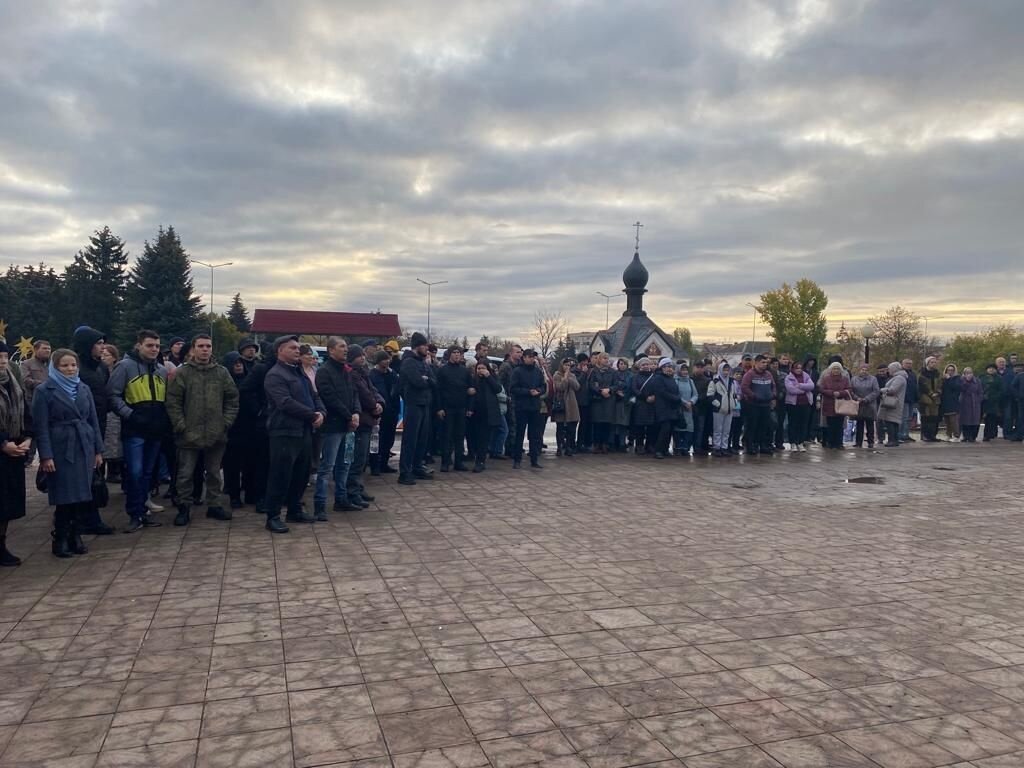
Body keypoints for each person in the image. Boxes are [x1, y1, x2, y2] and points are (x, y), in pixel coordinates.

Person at [33, 348, 105, 558]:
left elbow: (93, 420)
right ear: (55, 368)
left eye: (73, 365)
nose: (70, 369)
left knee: (81, 495)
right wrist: (46, 455)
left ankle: (76, 534)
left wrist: (98, 450)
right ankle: (61, 537)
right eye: (64, 365)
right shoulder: (44, 390)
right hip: (61, 448)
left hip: (83, 445)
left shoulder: (83, 388)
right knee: (65, 495)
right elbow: (41, 427)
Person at [165, 334, 239, 527]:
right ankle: (184, 507)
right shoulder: (183, 373)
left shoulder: (221, 373)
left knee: (214, 473)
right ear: (194, 349)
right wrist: (181, 426)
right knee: (185, 474)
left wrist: (225, 423)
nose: (205, 349)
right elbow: (173, 402)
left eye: (208, 346)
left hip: (216, 434)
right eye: (201, 346)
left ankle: (214, 505)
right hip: (188, 435)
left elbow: (232, 399)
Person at [262, 335, 326, 532]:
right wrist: (311, 415)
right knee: (280, 474)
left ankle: (294, 510)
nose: (297, 351)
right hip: (284, 431)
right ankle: (272, 516)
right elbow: (284, 402)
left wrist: (321, 412)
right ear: (280, 351)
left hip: (304, 430)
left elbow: (315, 396)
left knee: (301, 473)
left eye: (298, 348)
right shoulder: (275, 375)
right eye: (292, 348)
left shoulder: (299, 373)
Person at [109, 330, 169, 532]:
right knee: (134, 472)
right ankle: (134, 514)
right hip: (134, 429)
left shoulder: (161, 370)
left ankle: (143, 511)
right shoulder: (125, 366)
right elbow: (114, 396)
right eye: (149, 345)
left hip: (155, 429)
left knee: (146, 473)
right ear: (139, 345)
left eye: (157, 346)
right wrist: (130, 415)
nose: (154, 349)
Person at [71, 327, 115, 534]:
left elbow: (106, 396)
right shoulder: (76, 370)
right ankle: (79, 519)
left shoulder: (101, 368)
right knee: (81, 476)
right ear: (87, 346)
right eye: (98, 343)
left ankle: (90, 517)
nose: (102, 347)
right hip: (80, 430)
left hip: (99, 426)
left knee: (96, 473)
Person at [314, 337, 360, 519]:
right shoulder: (324, 372)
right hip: (333, 426)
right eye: (342, 347)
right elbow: (330, 398)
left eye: (346, 347)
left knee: (345, 464)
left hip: (349, 426)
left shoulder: (346, 371)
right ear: (331, 350)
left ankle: (341, 499)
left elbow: (354, 394)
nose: (346, 350)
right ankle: (320, 505)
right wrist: (350, 416)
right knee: (327, 467)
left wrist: (356, 412)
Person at [0, 342, 28, 566]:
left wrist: (27, 436)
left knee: (8, 503)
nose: (2, 361)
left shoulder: (12, 379)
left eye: (4, 357)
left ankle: (2, 545)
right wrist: (2, 443)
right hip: (2, 447)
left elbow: (24, 407)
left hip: (15, 447)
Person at [346, 344, 383, 505]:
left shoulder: (364, 373)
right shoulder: (352, 375)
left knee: (363, 458)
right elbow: (363, 394)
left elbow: (373, 390)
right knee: (357, 459)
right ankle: (352, 491)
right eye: (358, 355)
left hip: (369, 419)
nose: (362, 357)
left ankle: (358, 488)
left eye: (362, 355)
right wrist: (374, 406)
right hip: (360, 420)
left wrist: (380, 402)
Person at [398, 332, 435, 485]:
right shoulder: (408, 362)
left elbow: (434, 381)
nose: (427, 348)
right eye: (424, 345)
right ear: (417, 346)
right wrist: (425, 380)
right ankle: (405, 472)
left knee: (422, 438)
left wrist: (426, 380)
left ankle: (417, 466)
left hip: (424, 404)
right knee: (410, 439)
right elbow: (417, 382)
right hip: (413, 404)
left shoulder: (423, 363)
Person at [221, 351, 251, 509]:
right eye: (235, 363)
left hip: (248, 427)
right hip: (230, 429)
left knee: (248, 463)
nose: (238, 365)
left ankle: (249, 492)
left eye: (240, 362)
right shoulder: (224, 383)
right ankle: (234, 495)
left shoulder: (249, 380)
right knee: (231, 465)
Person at [436, 346, 473, 472]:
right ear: (449, 354)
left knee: (459, 435)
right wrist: (439, 408)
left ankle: (458, 462)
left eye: (459, 353)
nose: (457, 355)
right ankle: (445, 462)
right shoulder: (442, 370)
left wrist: (469, 407)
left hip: (461, 407)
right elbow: (438, 391)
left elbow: (471, 389)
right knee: (447, 436)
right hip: (447, 408)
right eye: (455, 353)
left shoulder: (465, 371)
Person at [509, 348, 547, 468]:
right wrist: (527, 392)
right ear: (524, 358)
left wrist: (539, 391)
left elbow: (543, 386)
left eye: (533, 357)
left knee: (535, 434)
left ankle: (534, 459)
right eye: (529, 357)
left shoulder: (537, 371)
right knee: (520, 433)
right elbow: (513, 388)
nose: (532, 359)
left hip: (535, 406)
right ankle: (517, 459)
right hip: (521, 407)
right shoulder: (517, 371)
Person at [368, 350, 400, 474]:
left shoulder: (392, 375)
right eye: (384, 359)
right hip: (379, 413)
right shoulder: (372, 375)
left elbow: (397, 388)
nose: (387, 361)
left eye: (388, 359)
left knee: (389, 439)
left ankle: (384, 464)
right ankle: (374, 465)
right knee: (376, 440)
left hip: (392, 412)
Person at [467, 359, 501, 473]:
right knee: (476, 437)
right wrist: (470, 408)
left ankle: (480, 461)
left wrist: (489, 377)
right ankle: (476, 456)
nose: (480, 370)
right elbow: (471, 395)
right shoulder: (474, 380)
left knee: (484, 438)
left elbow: (498, 389)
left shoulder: (492, 378)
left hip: (489, 412)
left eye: (483, 368)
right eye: (478, 368)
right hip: (477, 412)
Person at [740, 354, 777, 455]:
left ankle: (762, 445)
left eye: (766, 363)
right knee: (752, 426)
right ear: (756, 363)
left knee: (764, 426)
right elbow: (744, 387)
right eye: (763, 362)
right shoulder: (749, 374)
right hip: (753, 404)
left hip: (765, 405)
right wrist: (754, 396)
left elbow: (773, 386)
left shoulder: (768, 374)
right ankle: (750, 446)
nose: (765, 364)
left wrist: (773, 395)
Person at [647, 358, 682, 459]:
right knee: (664, 430)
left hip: (672, 408)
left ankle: (665, 449)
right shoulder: (658, 378)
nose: (669, 369)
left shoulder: (671, 378)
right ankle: (658, 450)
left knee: (670, 430)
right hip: (662, 407)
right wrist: (675, 398)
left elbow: (676, 390)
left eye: (671, 367)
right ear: (662, 368)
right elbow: (662, 392)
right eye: (667, 367)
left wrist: (678, 397)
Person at [99, 344, 123, 485]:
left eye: (106, 355)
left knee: (115, 445)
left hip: (115, 413)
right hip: (104, 412)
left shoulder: (119, 371)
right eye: (102, 354)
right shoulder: (98, 370)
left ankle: (115, 472)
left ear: (114, 357)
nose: (103, 357)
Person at [818, 362, 853, 449]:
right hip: (829, 403)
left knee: (839, 425)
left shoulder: (845, 379)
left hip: (841, 404)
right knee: (830, 425)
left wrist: (840, 393)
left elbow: (849, 389)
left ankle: (839, 443)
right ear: (831, 369)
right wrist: (832, 393)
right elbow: (822, 389)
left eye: (838, 369)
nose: (836, 370)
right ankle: (830, 443)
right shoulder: (826, 378)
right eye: (834, 368)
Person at [589, 353, 618, 454]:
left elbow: (616, 384)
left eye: (607, 359)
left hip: (609, 400)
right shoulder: (593, 371)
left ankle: (605, 444)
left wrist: (609, 390)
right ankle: (596, 444)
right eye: (604, 358)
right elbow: (591, 384)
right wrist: (600, 391)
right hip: (598, 400)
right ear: (599, 360)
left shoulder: (613, 372)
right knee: (597, 423)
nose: (606, 360)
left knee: (607, 423)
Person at [551, 357, 580, 456]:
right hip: (561, 403)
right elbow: (560, 387)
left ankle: (568, 447)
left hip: (571, 403)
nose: (567, 367)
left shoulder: (572, 375)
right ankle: (559, 447)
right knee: (560, 427)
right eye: (565, 365)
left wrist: (569, 377)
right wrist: (565, 378)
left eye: (569, 365)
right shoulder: (557, 375)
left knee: (571, 428)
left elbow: (577, 387)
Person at [783, 360, 814, 451]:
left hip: (805, 404)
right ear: (793, 368)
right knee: (793, 424)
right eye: (797, 368)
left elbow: (811, 386)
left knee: (803, 424)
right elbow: (791, 389)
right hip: (793, 405)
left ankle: (800, 442)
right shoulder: (789, 378)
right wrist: (804, 390)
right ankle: (793, 442)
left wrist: (799, 385)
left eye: (800, 368)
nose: (799, 370)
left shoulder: (806, 376)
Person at [708, 362, 737, 457]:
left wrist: (734, 403)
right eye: (724, 370)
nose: (726, 372)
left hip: (729, 408)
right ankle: (716, 447)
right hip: (719, 409)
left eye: (727, 370)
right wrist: (718, 404)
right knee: (717, 429)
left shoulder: (732, 381)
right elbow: (710, 395)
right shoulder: (715, 381)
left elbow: (734, 394)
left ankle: (724, 447)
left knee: (726, 430)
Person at [498, 344, 523, 457]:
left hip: (518, 399)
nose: (519, 354)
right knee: (511, 424)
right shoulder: (506, 366)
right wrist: (505, 397)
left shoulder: (519, 366)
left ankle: (515, 446)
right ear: (511, 353)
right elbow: (500, 383)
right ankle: (510, 448)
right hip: (509, 399)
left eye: (520, 352)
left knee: (517, 424)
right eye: (517, 352)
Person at [630, 358, 657, 454]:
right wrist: (645, 397)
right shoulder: (635, 377)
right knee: (640, 426)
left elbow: (658, 388)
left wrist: (654, 396)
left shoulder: (654, 377)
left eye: (647, 364)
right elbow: (634, 389)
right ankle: (639, 445)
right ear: (640, 366)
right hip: (640, 404)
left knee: (651, 426)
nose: (645, 366)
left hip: (652, 404)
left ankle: (649, 445)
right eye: (643, 365)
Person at [877, 362, 907, 448]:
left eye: (889, 369)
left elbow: (892, 390)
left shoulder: (899, 378)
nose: (888, 371)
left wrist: (882, 390)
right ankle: (894, 439)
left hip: (893, 403)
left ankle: (892, 440)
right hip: (894, 403)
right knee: (893, 422)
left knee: (890, 421)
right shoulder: (898, 377)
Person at [850, 363, 880, 448]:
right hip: (858, 404)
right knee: (859, 424)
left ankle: (871, 441)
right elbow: (851, 390)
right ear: (859, 370)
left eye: (866, 370)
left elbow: (876, 391)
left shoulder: (873, 379)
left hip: (869, 404)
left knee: (870, 424)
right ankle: (858, 442)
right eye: (862, 369)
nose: (864, 371)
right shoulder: (854, 379)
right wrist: (856, 398)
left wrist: (866, 399)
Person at [673, 362, 698, 456]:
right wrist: (684, 402)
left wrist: (691, 402)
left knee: (689, 429)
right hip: (680, 409)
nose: (684, 372)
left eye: (686, 370)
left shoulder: (690, 381)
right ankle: (678, 447)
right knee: (679, 428)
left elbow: (695, 394)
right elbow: (676, 394)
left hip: (689, 409)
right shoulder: (676, 381)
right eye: (682, 370)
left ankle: (685, 447)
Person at [918, 357, 942, 442]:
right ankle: (925, 435)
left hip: (936, 399)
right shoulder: (922, 374)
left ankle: (933, 435)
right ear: (927, 363)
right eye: (932, 362)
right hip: (925, 399)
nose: (934, 364)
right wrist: (931, 393)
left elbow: (940, 384)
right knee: (926, 417)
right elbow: (923, 386)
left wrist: (938, 393)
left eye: (935, 362)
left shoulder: (938, 374)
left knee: (934, 418)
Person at [574, 354, 593, 453]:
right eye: (585, 361)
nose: (587, 363)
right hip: (577, 400)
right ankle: (572, 444)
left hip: (586, 401)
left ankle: (581, 443)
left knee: (584, 423)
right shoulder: (575, 371)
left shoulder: (590, 371)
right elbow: (577, 384)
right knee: (574, 424)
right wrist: (583, 373)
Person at [958, 367, 982, 443]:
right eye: (967, 373)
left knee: (975, 420)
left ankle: (973, 436)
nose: (969, 375)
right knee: (964, 420)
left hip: (975, 402)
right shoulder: (961, 381)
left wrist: (979, 400)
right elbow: (961, 389)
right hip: (964, 402)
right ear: (964, 374)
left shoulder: (977, 380)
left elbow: (980, 391)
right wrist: (965, 382)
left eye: (970, 373)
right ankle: (966, 436)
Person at [981, 363, 1004, 441]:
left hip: (995, 402)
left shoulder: (999, 378)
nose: (991, 369)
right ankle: (987, 435)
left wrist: (996, 397)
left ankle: (991, 434)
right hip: (984, 401)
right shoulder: (982, 377)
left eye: (993, 368)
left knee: (993, 418)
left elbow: (1001, 390)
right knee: (986, 419)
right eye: (989, 368)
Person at [940, 363, 962, 441]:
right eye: (948, 370)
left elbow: (957, 387)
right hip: (945, 401)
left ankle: (956, 435)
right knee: (947, 420)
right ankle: (948, 435)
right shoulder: (943, 379)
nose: (950, 371)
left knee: (954, 420)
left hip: (953, 401)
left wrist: (949, 379)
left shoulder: (957, 378)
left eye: (952, 370)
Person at [899, 359, 918, 442]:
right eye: (907, 363)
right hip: (904, 399)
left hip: (912, 399)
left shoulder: (913, 374)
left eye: (910, 363)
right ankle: (901, 434)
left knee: (909, 417)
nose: (909, 365)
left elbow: (915, 386)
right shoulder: (901, 374)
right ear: (902, 364)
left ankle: (906, 434)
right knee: (904, 417)